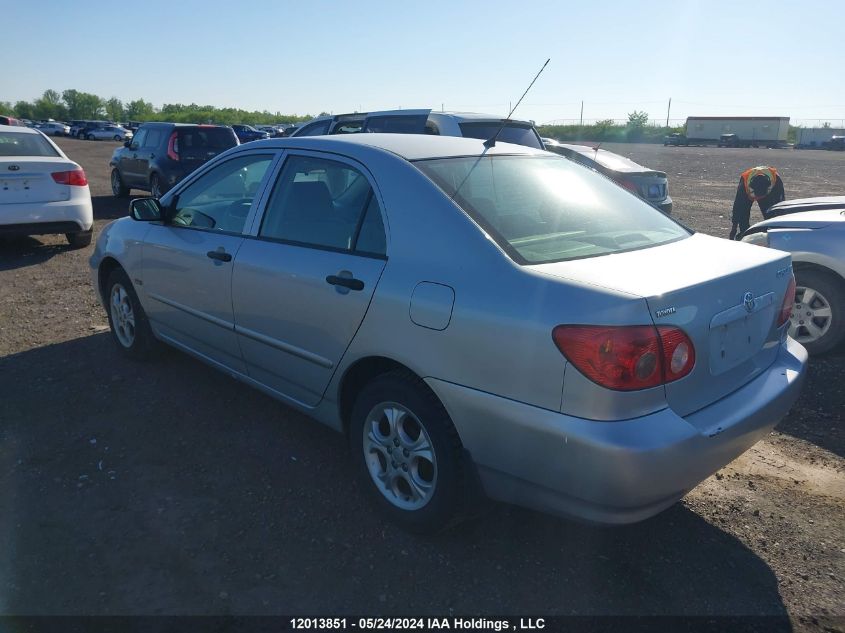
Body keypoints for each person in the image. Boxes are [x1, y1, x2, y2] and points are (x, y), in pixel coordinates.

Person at [729, 165, 785, 239]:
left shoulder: (776, 180)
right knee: (743, 215)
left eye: (760, 196)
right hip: (748, 192)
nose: (757, 198)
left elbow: (781, 204)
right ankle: (744, 234)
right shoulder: (744, 183)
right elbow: (738, 206)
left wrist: (781, 226)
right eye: (757, 196)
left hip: (768, 195)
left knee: (770, 213)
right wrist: (734, 227)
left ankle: (772, 232)